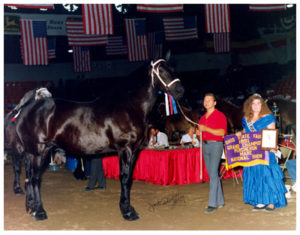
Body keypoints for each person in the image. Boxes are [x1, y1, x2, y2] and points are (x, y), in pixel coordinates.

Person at [236, 93, 287, 211]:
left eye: (258, 103)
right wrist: (240, 134)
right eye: (253, 103)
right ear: (250, 105)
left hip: (265, 151)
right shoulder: (246, 118)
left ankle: (271, 201)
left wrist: (273, 147)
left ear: (262, 104)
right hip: (252, 152)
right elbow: (246, 131)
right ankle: (260, 200)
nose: (256, 106)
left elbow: (272, 132)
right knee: (255, 175)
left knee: (267, 175)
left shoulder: (268, 117)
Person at [197, 93, 227, 214]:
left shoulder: (220, 115)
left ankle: (212, 203)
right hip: (205, 145)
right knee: (212, 175)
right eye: (205, 100)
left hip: (216, 145)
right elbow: (201, 133)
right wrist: (199, 134)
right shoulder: (202, 118)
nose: (207, 102)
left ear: (215, 102)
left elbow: (222, 133)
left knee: (213, 174)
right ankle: (220, 201)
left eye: (209, 100)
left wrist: (206, 129)